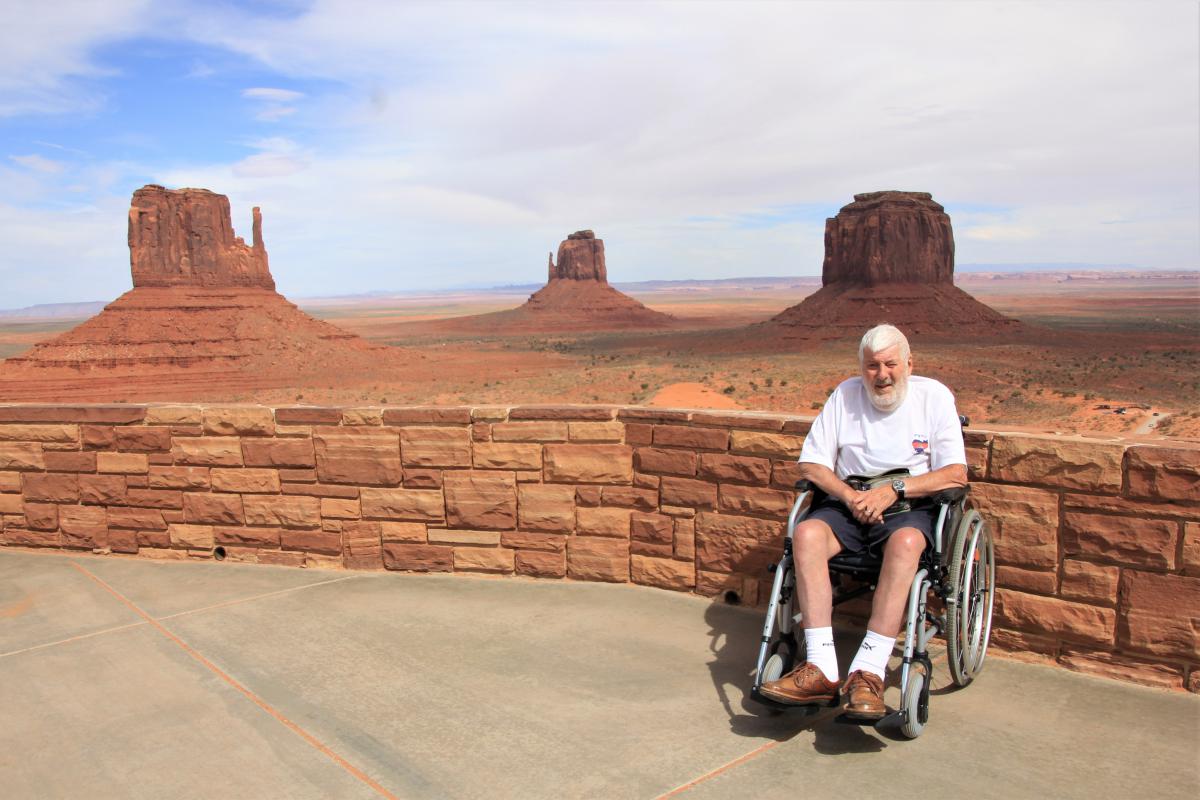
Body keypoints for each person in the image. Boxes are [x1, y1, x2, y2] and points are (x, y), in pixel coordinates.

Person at [759, 324, 967, 719]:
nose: (882, 374)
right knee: (805, 534)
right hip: (847, 502)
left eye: (890, 364)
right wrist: (849, 495)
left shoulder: (934, 397)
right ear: (861, 367)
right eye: (872, 366)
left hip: (907, 508)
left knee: (906, 545)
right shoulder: (845, 395)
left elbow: (955, 474)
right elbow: (811, 464)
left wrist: (896, 489)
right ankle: (821, 668)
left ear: (909, 363)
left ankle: (868, 673)